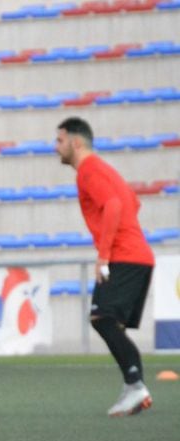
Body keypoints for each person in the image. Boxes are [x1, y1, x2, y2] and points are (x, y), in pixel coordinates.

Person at [55, 117, 155, 417]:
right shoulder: (103, 168)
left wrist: (104, 255)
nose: (55, 147)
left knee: (102, 318)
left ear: (76, 142)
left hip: (125, 256)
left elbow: (113, 205)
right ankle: (133, 385)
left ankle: (135, 385)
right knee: (110, 321)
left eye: (59, 141)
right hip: (138, 256)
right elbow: (132, 203)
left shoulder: (88, 170)